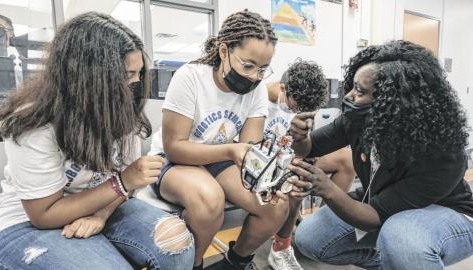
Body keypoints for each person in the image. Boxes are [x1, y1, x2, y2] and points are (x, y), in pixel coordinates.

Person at [0, 12, 194, 270]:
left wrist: (102, 214)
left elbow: (127, 185)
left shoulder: (118, 107)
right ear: (91, 76)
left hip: (104, 202)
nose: (136, 83)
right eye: (128, 74)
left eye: (138, 73)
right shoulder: (35, 122)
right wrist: (122, 182)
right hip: (27, 220)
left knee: (177, 243)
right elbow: (43, 214)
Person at [284, 40, 473, 269]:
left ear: (394, 102)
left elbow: (373, 216)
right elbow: (309, 148)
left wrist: (327, 188)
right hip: (384, 200)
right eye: (352, 86)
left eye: (361, 92)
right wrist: (301, 137)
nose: (349, 96)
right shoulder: (358, 120)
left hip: (449, 212)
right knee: (310, 237)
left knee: (401, 236)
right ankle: (388, 262)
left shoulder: (444, 155)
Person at [151, 10, 289, 270]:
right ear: (224, 51)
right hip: (174, 160)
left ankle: (235, 262)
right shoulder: (191, 77)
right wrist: (233, 151)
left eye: (262, 69)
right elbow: (175, 147)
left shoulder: (256, 90)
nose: (254, 76)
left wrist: (273, 175)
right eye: (247, 65)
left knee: (275, 204)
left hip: (221, 158)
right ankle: (193, 264)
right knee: (209, 200)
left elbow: (249, 151)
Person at [264, 59, 355, 270]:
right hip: (266, 162)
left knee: (346, 160)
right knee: (299, 178)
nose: (297, 112)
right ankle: (280, 248)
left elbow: (301, 144)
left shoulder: (300, 103)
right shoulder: (257, 98)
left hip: (289, 154)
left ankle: (322, 228)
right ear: (283, 89)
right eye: (297, 107)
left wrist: (306, 148)